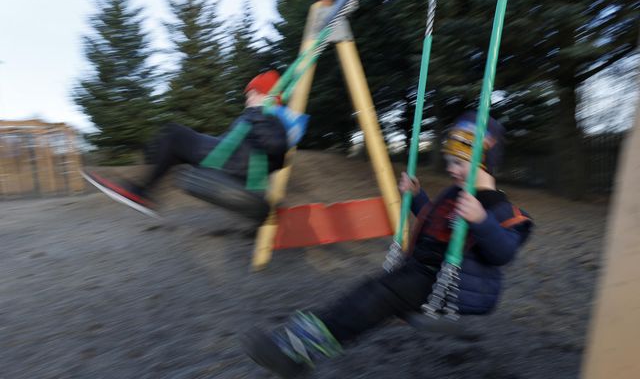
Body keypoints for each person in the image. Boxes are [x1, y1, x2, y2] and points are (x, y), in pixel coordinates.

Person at [241, 112, 533, 378]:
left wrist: (481, 220)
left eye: (458, 162)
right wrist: (417, 198)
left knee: (375, 297)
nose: (450, 169)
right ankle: (299, 345)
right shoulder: (454, 193)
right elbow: (437, 225)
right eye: (448, 162)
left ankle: (298, 350)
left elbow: (503, 253)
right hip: (421, 272)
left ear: (484, 162)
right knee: (368, 293)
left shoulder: (499, 207)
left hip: (451, 287)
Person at [83, 70, 289, 217]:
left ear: (265, 96)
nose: (247, 100)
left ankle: (141, 192)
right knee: (172, 144)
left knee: (174, 134)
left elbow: (277, 148)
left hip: (231, 163)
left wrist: (258, 112)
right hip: (228, 157)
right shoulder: (260, 117)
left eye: (252, 95)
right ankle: (142, 191)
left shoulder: (269, 118)